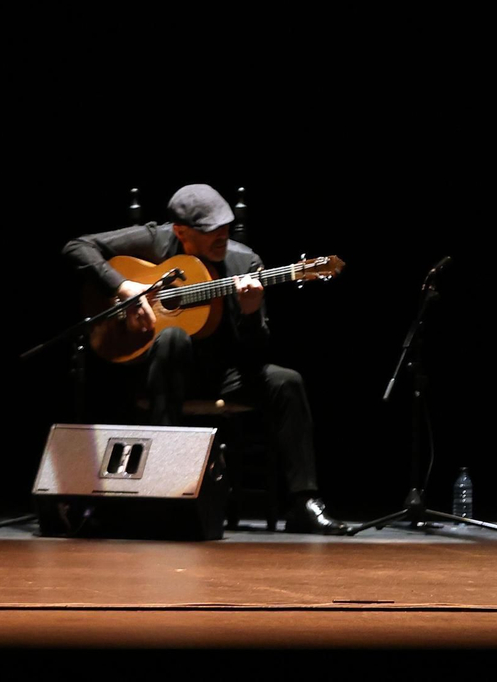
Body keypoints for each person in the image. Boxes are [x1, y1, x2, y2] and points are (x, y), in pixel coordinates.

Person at [62, 183, 346, 534]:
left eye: (225, 227)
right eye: (211, 231)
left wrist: (251, 313)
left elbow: (256, 350)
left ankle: (304, 501)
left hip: (222, 371)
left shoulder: (246, 262)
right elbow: (77, 246)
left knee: (287, 381)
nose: (222, 236)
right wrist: (123, 287)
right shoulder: (155, 240)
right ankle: (160, 483)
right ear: (181, 232)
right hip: (157, 371)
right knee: (173, 338)